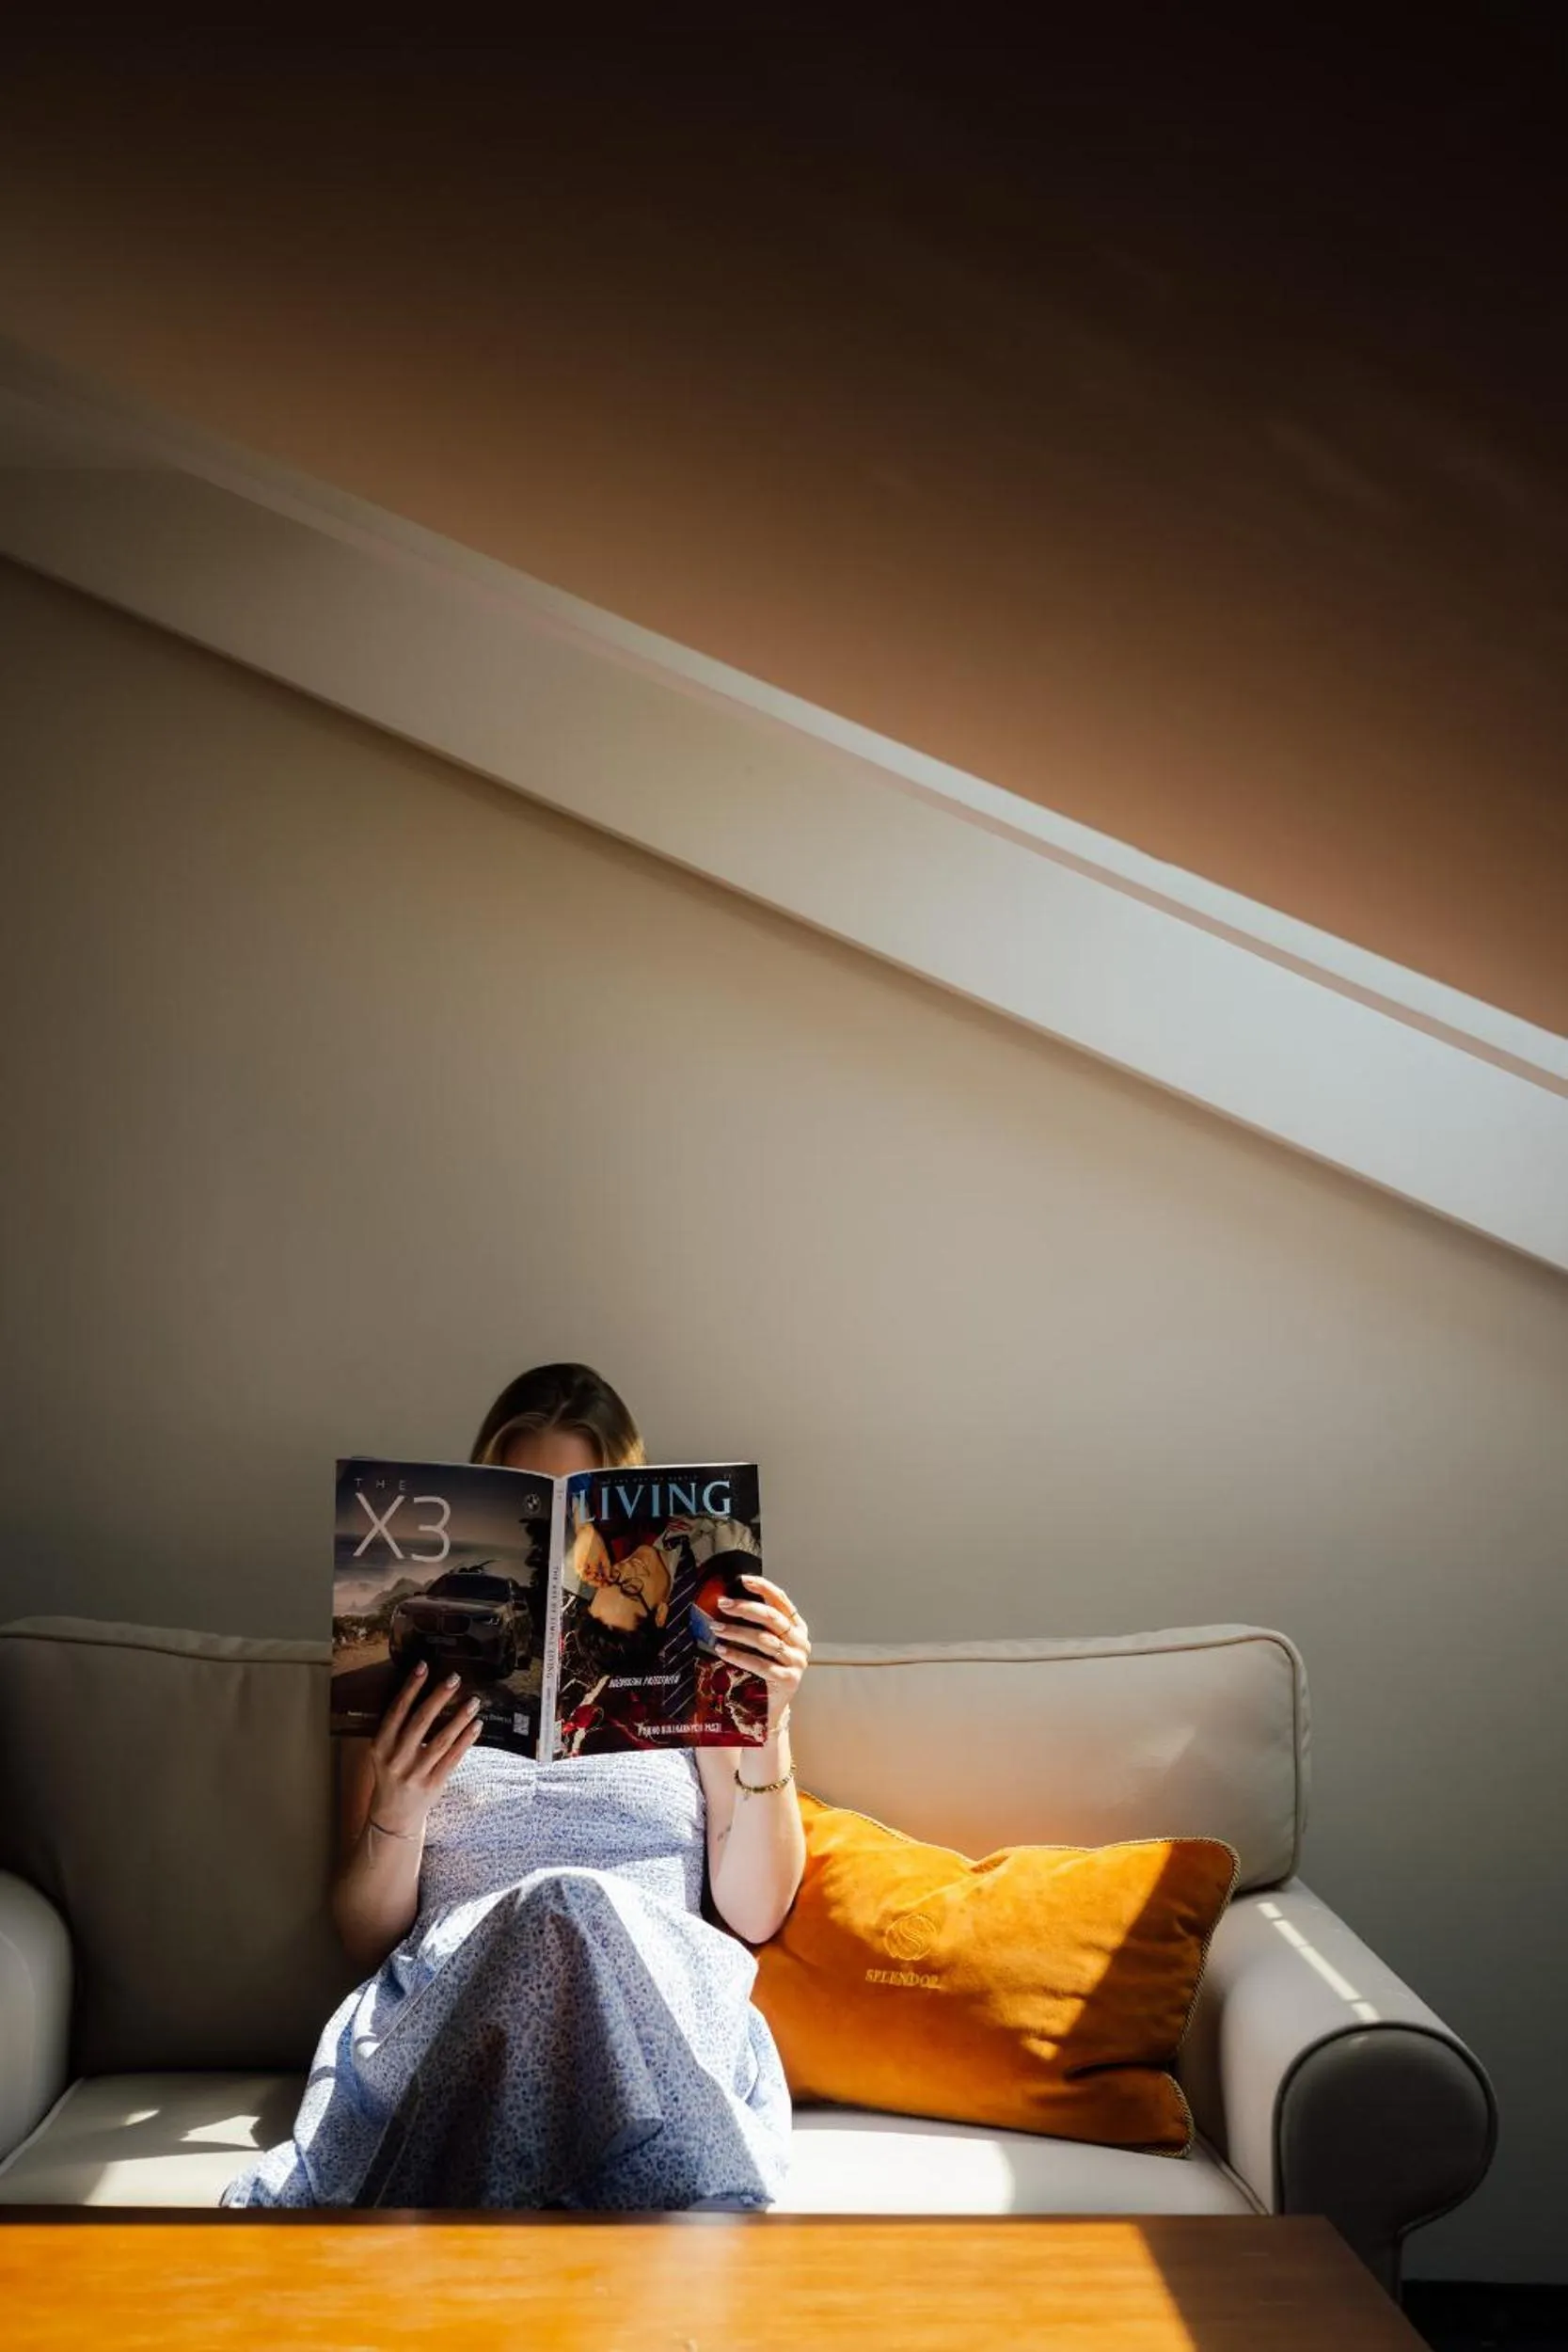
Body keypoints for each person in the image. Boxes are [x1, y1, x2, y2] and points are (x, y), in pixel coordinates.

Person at [221, 1362, 810, 2210]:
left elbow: (754, 1913)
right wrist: (400, 1801)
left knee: (573, 1904)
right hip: (458, 1998)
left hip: (654, 2002)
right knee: (550, 1908)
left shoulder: (695, 1664)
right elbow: (361, 1936)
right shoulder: (402, 1681)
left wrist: (770, 1718)